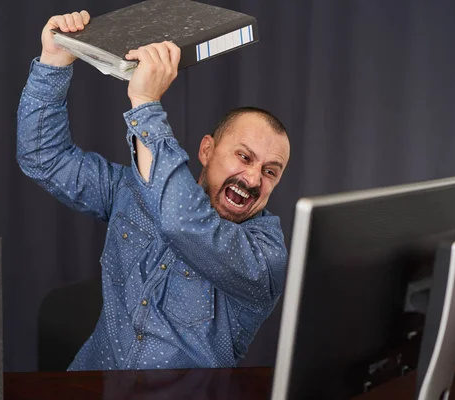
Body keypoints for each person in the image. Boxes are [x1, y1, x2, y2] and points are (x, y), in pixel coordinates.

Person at [17, 10, 291, 370]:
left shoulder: (265, 258)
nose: (254, 179)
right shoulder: (129, 191)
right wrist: (55, 60)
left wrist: (146, 103)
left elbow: (180, 221)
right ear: (207, 150)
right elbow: (42, 157)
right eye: (244, 157)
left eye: (270, 171)